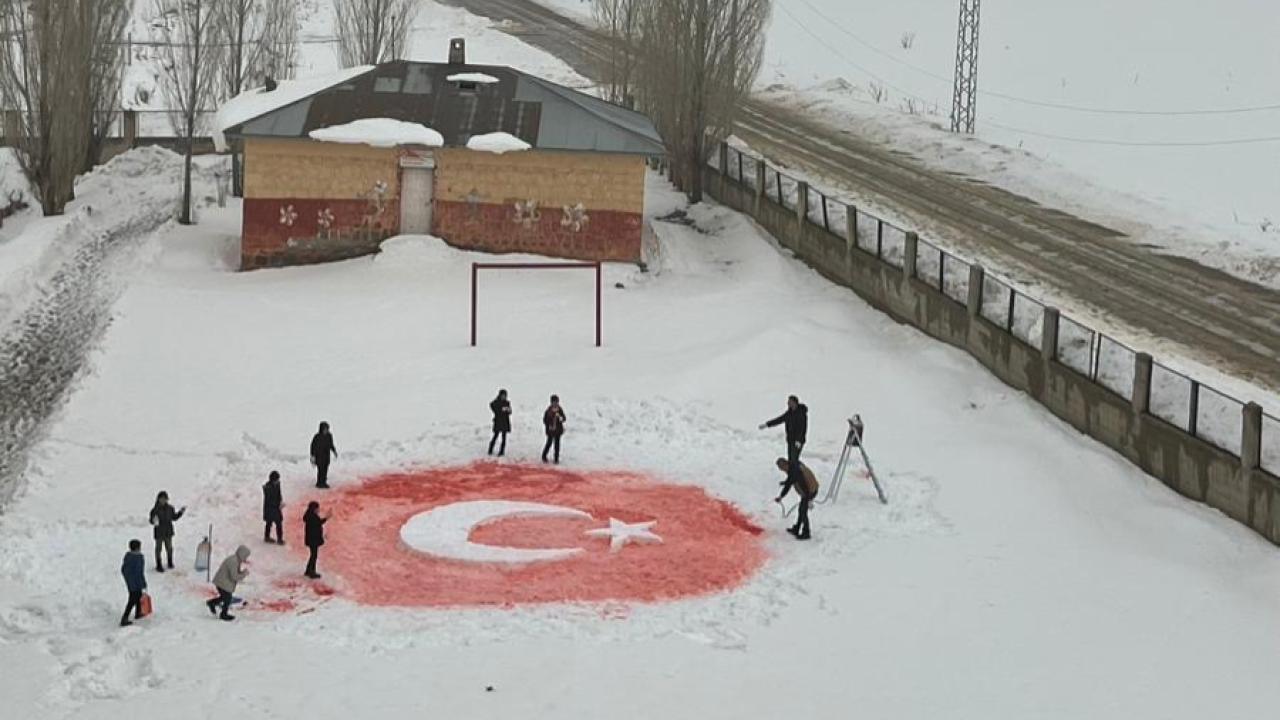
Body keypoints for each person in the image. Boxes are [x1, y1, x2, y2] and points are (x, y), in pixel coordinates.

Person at [760, 395, 808, 473]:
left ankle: (801, 477)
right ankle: (792, 477)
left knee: (794, 460)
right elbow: (779, 419)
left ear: (795, 403)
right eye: (788, 402)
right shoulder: (789, 413)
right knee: (791, 460)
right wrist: (767, 424)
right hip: (790, 440)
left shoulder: (801, 413)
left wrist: (799, 440)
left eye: (790, 402)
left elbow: (802, 428)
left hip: (798, 441)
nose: (788, 403)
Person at [775, 457, 819, 540]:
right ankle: (797, 528)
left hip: (809, 491)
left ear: (785, 464)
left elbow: (794, 484)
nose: (782, 470)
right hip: (809, 490)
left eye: (782, 468)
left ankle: (806, 533)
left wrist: (809, 499)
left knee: (803, 511)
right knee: (801, 510)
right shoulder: (794, 465)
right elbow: (790, 480)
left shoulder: (794, 473)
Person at [207, 545, 250, 621]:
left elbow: (235, 573)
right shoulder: (234, 561)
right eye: (246, 556)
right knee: (227, 598)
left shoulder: (235, 560)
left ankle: (212, 603)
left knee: (225, 597)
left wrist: (242, 572)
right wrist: (244, 574)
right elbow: (234, 576)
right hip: (222, 583)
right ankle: (223, 614)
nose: (246, 558)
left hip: (222, 582)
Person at [148, 491, 186, 572]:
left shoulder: (170, 508)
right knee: (158, 549)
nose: (163, 500)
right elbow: (151, 521)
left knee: (169, 548)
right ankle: (158, 564)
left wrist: (180, 513)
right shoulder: (154, 510)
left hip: (168, 531)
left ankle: (170, 562)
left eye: (165, 499)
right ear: (158, 499)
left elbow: (174, 517)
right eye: (162, 499)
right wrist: (153, 521)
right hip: (159, 532)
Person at [120, 539, 147, 627]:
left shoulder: (128, 556)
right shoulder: (139, 558)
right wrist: (143, 583)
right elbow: (139, 572)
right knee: (133, 599)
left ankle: (138, 612)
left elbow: (124, 570)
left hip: (129, 581)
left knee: (137, 596)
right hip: (136, 583)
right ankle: (125, 617)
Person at [303, 501, 330, 579]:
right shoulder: (313, 517)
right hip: (313, 540)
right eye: (317, 508)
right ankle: (311, 571)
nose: (318, 510)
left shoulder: (309, 516)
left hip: (311, 539)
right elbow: (318, 523)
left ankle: (309, 570)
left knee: (313, 555)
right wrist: (326, 518)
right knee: (313, 555)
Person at [310, 421, 338, 489]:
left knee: (325, 470)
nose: (326, 430)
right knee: (320, 470)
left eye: (327, 429)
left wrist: (334, 451)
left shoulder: (329, 436)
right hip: (319, 456)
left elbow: (331, 444)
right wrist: (312, 456)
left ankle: (324, 482)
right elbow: (313, 446)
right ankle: (319, 483)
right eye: (325, 429)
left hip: (326, 456)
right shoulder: (317, 437)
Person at [541, 394, 566, 464]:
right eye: (554, 402)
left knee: (557, 445)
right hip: (550, 431)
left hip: (558, 430)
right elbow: (545, 420)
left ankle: (556, 458)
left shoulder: (560, 410)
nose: (555, 404)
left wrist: (560, 418)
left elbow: (564, 418)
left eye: (556, 402)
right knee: (549, 443)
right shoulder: (548, 410)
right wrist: (549, 425)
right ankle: (544, 455)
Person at [262, 471, 284, 544]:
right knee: (274, 523)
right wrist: (278, 504)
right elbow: (269, 500)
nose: (278, 481)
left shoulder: (277, 484)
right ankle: (276, 538)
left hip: (274, 508)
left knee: (272, 523)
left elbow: (279, 494)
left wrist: (280, 501)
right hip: (271, 508)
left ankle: (271, 537)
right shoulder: (268, 489)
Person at [488, 389, 512, 456]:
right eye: (503, 395)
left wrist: (508, 410)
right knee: (495, 436)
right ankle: (490, 450)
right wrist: (501, 410)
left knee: (504, 438)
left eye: (505, 395)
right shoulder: (496, 402)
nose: (504, 397)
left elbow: (510, 412)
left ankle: (502, 451)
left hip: (505, 422)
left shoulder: (507, 403)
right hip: (498, 421)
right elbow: (492, 406)